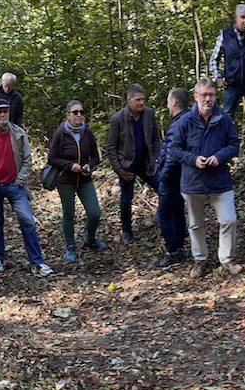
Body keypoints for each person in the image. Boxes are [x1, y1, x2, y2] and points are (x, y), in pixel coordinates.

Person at [167, 80, 244, 278]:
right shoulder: (184, 121)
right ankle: (200, 260)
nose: (208, 99)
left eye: (211, 95)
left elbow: (234, 144)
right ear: (196, 97)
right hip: (192, 182)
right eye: (204, 95)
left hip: (219, 180)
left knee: (229, 220)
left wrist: (219, 157)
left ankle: (227, 259)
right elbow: (174, 149)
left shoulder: (224, 119)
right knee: (195, 224)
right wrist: (193, 160)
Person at [0, 98, 53, 276]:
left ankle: (37, 262)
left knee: (27, 221)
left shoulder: (18, 134)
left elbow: (27, 160)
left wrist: (19, 180)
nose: (2, 114)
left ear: (9, 113)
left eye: (5, 111)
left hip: (15, 186)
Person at [47, 100, 106, 262]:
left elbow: (96, 157)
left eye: (81, 112)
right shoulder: (61, 133)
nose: (79, 115)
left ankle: (90, 240)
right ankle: (70, 247)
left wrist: (89, 164)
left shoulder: (87, 132)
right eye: (75, 112)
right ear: (68, 115)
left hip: (85, 179)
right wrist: (69, 165)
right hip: (65, 180)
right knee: (69, 213)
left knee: (95, 213)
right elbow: (52, 158)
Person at [106, 85, 157, 244]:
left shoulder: (149, 114)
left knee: (164, 188)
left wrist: (156, 159)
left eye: (143, 99)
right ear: (129, 101)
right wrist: (119, 169)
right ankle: (127, 231)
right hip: (127, 166)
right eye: (138, 100)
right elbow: (111, 147)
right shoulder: (118, 119)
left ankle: (165, 222)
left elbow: (156, 139)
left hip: (147, 163)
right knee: (126, 200)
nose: (141, 103)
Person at [152, 88, 191, 267]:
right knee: (177, 212)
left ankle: (173, 251)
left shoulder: (178, 124)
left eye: (168, 101)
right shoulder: (189, 119)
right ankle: (179, 248)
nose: (167, 105)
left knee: (163, 215)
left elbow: (172, 154)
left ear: (174, 103)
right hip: (183, 176)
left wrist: (164, 176)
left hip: (173, 177)